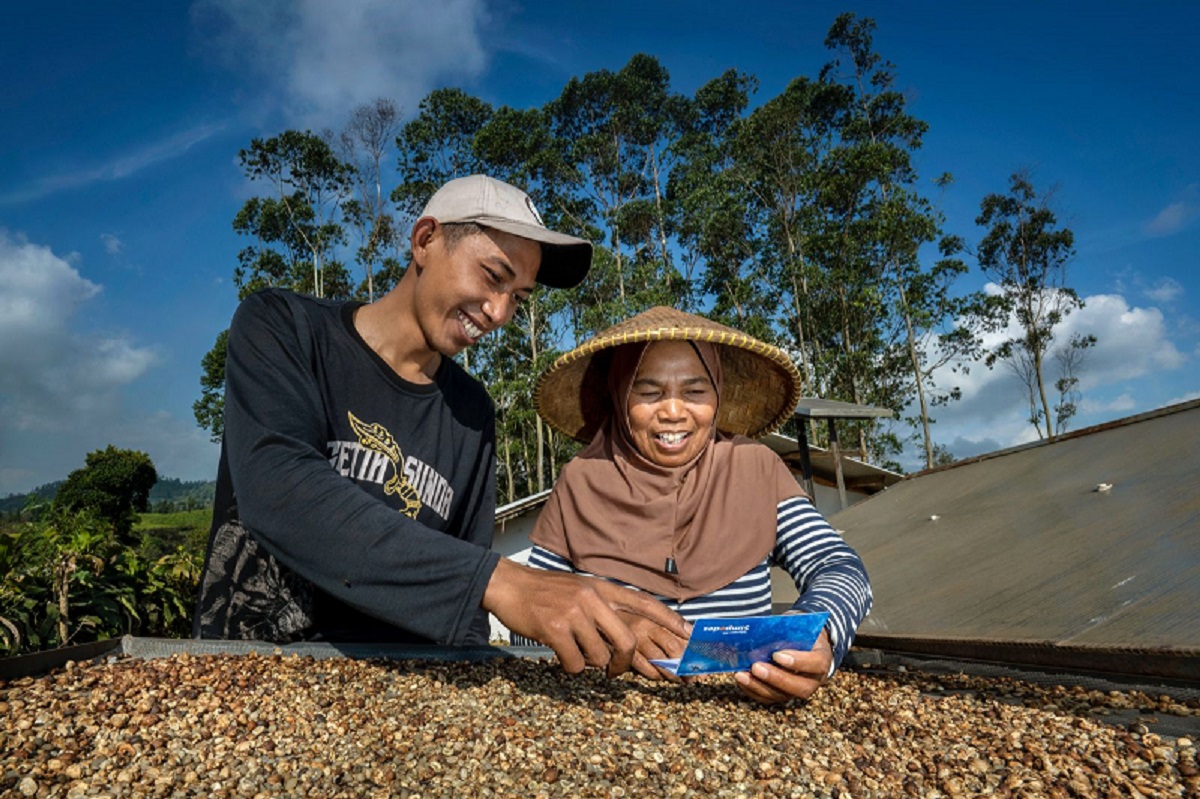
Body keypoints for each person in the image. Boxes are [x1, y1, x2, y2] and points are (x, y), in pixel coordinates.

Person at [193, 175, 687, 676]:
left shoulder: (471, 413)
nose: (498, 313)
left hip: (392, 688)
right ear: (425, 240)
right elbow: (279, 489)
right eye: (494, 276)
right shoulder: (284, 327)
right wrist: (501, 581)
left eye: (517, 296)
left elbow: (461, 596)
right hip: (249, 672)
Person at [523, 306, 873, 703]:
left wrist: (817, 632)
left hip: (744, 704)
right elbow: (531, 611)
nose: (673, 412)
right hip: (606, 709)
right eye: (649, 392)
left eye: (694, 391)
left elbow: (838, 565)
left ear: (717, 396)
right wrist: (609, 628)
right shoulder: (581, 480)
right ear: (620, 395)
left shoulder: (754, 468)